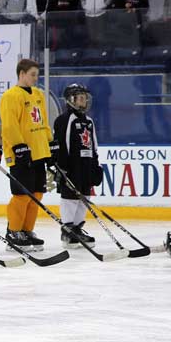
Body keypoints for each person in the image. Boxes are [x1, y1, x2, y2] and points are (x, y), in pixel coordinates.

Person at [0, 58, 54, 251]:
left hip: (39, 152)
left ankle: (27, 230)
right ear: (21, 74)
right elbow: (9, 125)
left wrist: (50, 143)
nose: (35, 78)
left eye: (36, 75)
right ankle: (14, 231)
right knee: (22, 195)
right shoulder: (11, 96)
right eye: (32, 75)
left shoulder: (38, 94)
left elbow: (44, 122)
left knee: (36, 194)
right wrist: (19, 146)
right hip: (21, 154)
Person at [53, 83, 103, 249]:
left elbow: (93, 147)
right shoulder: (64, 120)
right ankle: (67, 229)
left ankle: (77, 228)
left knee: (84, 197)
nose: (83, 101)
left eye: (84, 98)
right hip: (72, 167)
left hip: (86, 166)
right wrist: (62, 169)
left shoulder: (88, 121)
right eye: (80, 98)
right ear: (70, 100)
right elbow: (62, 145)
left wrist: (96, 166)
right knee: (70, 198)